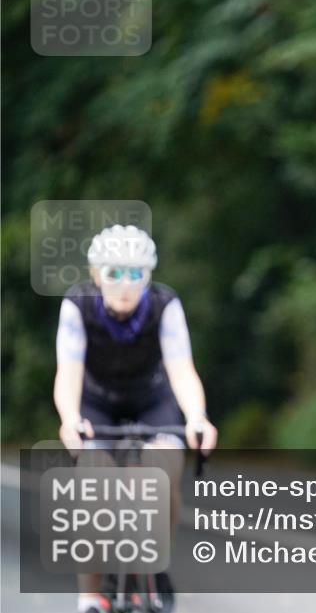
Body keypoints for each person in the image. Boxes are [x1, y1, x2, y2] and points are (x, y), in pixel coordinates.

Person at [53, 224, 218, 613]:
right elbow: (68, 372)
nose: (125, 284)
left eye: (136, 274)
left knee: (163, 470)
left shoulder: (165, 304)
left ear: (148, 276)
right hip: (96, 403)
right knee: (93, 484)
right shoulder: (77, 304)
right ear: (96, 275)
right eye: (114, 273)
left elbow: (181, 369)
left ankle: (155, 561)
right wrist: (70, 418)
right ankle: (91, 594)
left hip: (152, 400)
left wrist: (197, 417)